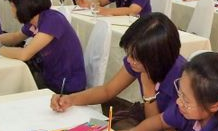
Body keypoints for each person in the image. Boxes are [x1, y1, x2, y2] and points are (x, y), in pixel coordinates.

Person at [51, 12, 184, 120]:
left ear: (157, 57)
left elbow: (157, 128)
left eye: (135, 58)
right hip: (148, 117)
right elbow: (107, 90)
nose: (129, 60)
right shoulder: (141, 62)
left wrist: (149, 90)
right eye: (129, 54)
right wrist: (70, 99)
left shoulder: (181, 77)